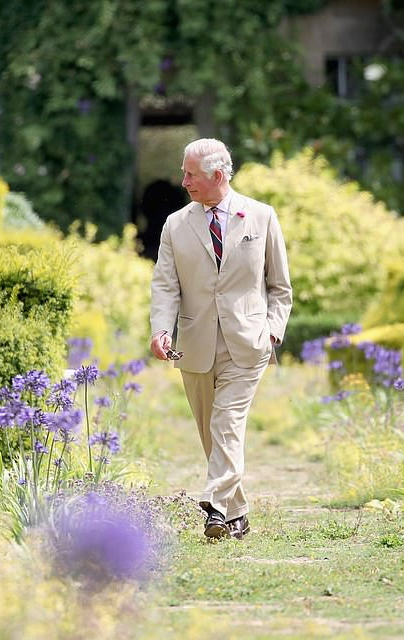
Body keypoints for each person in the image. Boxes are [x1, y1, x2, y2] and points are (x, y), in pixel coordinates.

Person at [149, 138, 292, 540]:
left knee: (227, 422)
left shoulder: (261, 218)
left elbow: (279, 286)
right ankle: (236, 515)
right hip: (194, 344)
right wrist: (161, 329)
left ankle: (213, 502)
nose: (183, 181)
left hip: (248, 344)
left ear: (217, 175)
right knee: (212, 433)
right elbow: (165, 285)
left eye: (190, 174)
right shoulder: (175, 225)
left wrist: (273, 329)